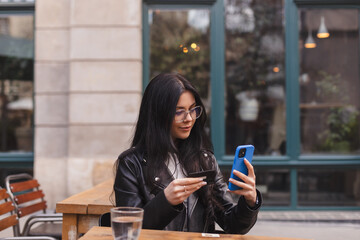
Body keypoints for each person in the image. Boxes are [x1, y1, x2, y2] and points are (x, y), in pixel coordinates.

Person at [114, 73, 262, 233]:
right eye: (179, 112)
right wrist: (165, 202)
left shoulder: (205, 159)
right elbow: (128, 230)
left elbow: (232, 225)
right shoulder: (131, 163)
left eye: (193, 110)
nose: (189, 119)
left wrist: (250, 201)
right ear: (158, 115)